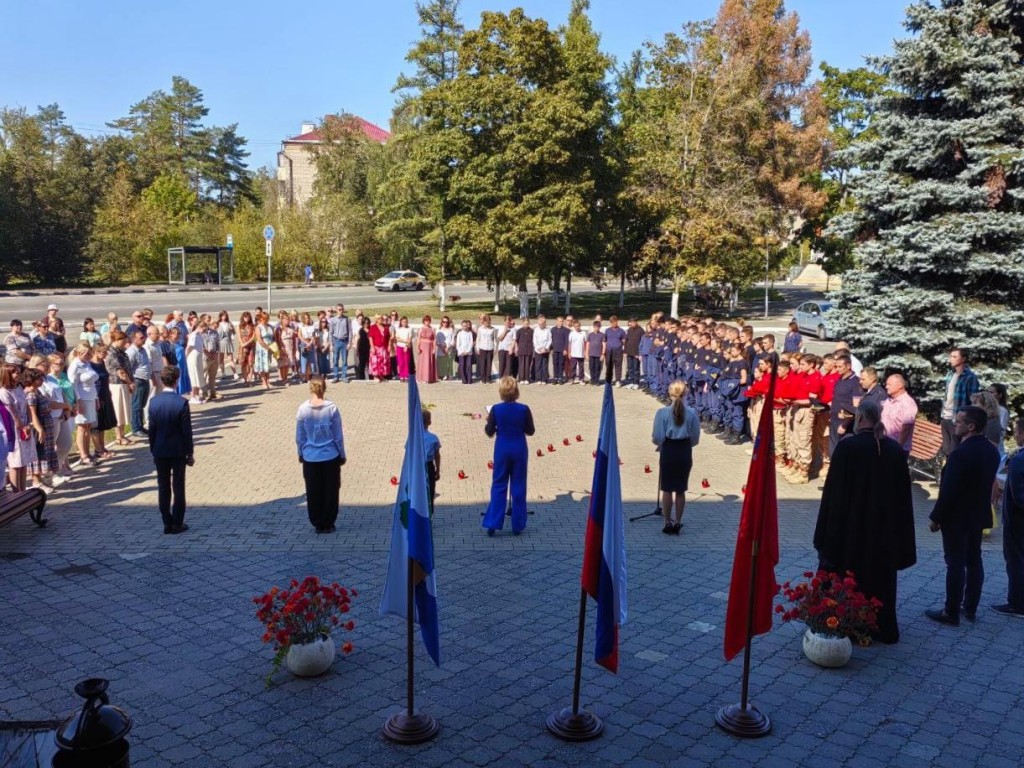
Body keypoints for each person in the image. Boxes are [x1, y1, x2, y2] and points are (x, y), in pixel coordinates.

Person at [813, 400, 917, 643]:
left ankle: (845, 622)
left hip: (851, 529)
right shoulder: (893, 450)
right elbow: (903, 498)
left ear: (860, 418)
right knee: (879, 578)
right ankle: (879, 625)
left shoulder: (849, 449)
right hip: (883, 530)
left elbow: (833, 495)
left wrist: (826, 534)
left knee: (849, 575)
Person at [926, 405, 1001, 626]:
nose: (954, 425)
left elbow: (949, 491)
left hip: (957, 517)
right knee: (974, 560)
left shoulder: (960, 454)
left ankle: (951, 612)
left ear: (971, 426)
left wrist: (936, 518)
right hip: (978, 513)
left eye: (959, 422)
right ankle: (970, 608)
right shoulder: (990, 451)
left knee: (955, 563)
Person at [481, 376, 536, 536]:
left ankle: (493, 523)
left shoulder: (496, 409)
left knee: (498, 484)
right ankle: (517, 525)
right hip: (519, 447)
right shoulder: (524, 409)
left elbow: (489, 432)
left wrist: (488, 422)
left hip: (502, 447)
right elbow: (530, 431)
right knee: (519, 485)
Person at [295, 377, 346, 533]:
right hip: (330, 454)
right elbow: (338, 435)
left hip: (310, 456)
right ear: (324, 389)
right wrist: (342, 453)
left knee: (313, 490)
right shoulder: (332, 409)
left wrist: (300, 452)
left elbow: (300, 436)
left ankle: (317, 522)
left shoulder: (302, 409)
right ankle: (328, 522)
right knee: (331, 489)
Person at [148, 366, 195, 534]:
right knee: (178, 485)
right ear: (176, 381)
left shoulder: (153, 402)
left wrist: (152, 448)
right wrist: (190, 452)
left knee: (163, 485)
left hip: (160, 450)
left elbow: (152, 429)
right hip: (178, 450)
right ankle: (178, 522)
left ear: (162, 381)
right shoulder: (181, 402)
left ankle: (166, 522)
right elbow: (186, 431)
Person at [652, 380, 701, 535]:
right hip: (684, 449)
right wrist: (686, 445)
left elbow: (657, 436)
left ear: (669, 393)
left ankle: (667, 522)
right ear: (685, 393)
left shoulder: (662, 413)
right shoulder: (692, 412)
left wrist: (661, 443)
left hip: (669, 449)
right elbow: (695, 437)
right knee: (680, 489)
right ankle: (678, 521)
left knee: (667, 488)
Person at [993, 419, 1024, 618]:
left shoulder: (1019, 460)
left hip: (1017, 520)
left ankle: (1017, 603)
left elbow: (1019, 496)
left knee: (1016, 560)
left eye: (1017, 431)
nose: (1014, 435)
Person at [939, 348, 980, 456]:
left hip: (957, 419)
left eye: (954, 357)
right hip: (945, 417)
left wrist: (965, 419)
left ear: (963, 359)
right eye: (950, 356)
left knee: (955, 451)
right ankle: (947, 471)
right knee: (946, 450)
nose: (951, 359)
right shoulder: (950, 374)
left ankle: (953, 472)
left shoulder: (970, 378)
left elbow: (973, 403)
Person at [0, 365, 33, 491]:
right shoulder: (3, 391)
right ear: (6, 375)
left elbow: (26, 406)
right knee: (16, 462)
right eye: (14, 373)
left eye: (19, 372)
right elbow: (12, 413)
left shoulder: (19, 388)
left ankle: (23, 490)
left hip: (24, 425)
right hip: (13, 429)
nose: (18, 375)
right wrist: (21, 426)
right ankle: (16, 492)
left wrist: (29, 424)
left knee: (24, 461)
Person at [105, 331, 134, 445]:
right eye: (123, 340)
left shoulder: (121, 351)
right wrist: (130, 382)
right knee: (118, 410)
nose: (125, 342)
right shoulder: (111, 353)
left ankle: (122, 434)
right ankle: (118, 436)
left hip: (124, 384)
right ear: (116, 340)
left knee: (123, 410)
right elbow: (120, 371)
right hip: (116, 384)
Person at [880, 374, 917, 453]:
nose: (886, 387)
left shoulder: (908, 403)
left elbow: (906, 428)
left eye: (889, 384)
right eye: (886, 384)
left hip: (898, 448)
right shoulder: (888, 401)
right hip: (884, 444)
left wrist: (897, 448)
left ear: (900, 385)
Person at [127, 330, 151, 437]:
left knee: (142, 404)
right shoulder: (131, 352)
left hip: (145, 380)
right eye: (141, 338)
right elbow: (128, 368)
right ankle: (136, 428)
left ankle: (141, 426)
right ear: (134, 339)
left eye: (144, 337)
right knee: (136, 405)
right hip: (137, 380)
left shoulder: (143, 350)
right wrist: (131, 382)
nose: (144, 339)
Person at [422, 409, 441, 517]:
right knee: (430, 491)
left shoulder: (413, 438)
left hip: (416, 467)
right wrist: (437, 470)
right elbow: (437, 456)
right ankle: (429, 514)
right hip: (429, 466)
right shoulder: (433, 438)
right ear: (429, 422)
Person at [329, 304, 352, 382]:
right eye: (339, 309)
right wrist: (331, 344)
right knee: (335, 360)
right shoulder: (333, 320)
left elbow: (350, 331)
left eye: (342, 309)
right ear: (336, 310)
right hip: (336, 341)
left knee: (344, 360)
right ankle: (336, 376)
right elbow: (330, 332)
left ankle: (344, 376)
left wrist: (349, 342)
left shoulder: (347, 319)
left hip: (344, 341)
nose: (340, 311)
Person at [604, 315, 626, 384]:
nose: (613, 323)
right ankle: (609, 379)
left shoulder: (621, 331)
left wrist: (621, 345)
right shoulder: (607, 330)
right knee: (609, 365)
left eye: (615, 322)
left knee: (618, 365)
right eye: (612, 322)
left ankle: (618, 380)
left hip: (618, 351)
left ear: (617, 321)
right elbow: (605, 341)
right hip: (609, 351)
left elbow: (624, 341)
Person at [368, 315, 391, 382]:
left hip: (383, 348)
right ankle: (375, 376)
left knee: (382, 362)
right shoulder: (373, 327)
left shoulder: (386, 327)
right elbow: (370, 338)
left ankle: (381, 376)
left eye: (381, 318)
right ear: (376, 320)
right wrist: (372, 347)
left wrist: (389, 345)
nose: (380, 319)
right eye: (379, 318)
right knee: (375, 362)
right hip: (376, 347)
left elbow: (388, 337)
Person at [476, 315, 497, 384]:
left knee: (489, 364)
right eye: (486, 322)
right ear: (483, 321)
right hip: (482, 348)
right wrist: (477, 348)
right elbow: (478, 339)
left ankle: (488, 378)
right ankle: (483, 378)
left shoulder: (493, 329)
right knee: (483, 364)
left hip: (490, 348)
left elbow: (494, 339)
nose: (487, 323)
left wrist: (495, 348)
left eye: (488, 322)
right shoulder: (480, 329)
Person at [216, 310, 237, 380]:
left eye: (225, 316)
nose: (224, 317)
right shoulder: (218, 324)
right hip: (220, 342)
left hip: (228, 342)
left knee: (230, 359)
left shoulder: (229, 324)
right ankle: (223, 373)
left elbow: (234, 333)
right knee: (221, 359)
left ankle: (235, 373)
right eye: (222, 316)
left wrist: (232, 330)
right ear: (220, 316)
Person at [416, 316, 438, 384]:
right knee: (422, 362)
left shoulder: (432, 329)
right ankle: (421, 377)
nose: (427, 322)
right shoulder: (421, 329)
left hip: (430, 347)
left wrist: (434, 348)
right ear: (423, 321)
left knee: (429, 361)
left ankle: (428, 378)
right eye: (426, 320)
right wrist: (417, 347)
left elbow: (434, 340)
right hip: (422, 346)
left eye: (428, 320)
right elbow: (418, 339)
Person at [455, 320, 475, 384]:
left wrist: (468, 351)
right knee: (462, 365)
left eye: (466, 326)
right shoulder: (459, 333)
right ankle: (464, 380)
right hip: (461, 352)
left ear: (467, 326)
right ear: (462, 326)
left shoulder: (470, 333)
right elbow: (458, 344)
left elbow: (471, 343)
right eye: (463, 326)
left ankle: (469, 380)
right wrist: (461, 351)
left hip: (469, 352)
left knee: (469, 366)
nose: (465, 327)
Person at [435, 317, 454, 381]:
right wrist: (443, 348)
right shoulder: (438, 330)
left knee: (448, 362)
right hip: (441, 349)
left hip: (449, 348)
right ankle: (441, 375)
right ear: (441, 322)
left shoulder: (450, 329)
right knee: (441, 363)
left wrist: (448, 347)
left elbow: (452, 340)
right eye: (444, 321)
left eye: (446, 322)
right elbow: (437, 341)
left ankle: (448, 374)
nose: (445, 323)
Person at [568, 320, 587, 384]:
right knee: (573, 367)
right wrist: (569, 352)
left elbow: (585, 343)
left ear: (580, 326)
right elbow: (570, 344)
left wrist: (585, 352)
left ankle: (581, 379)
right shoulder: (571, 333)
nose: (577, 327)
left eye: (578, 326)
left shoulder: (583, 333)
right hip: (573, 353)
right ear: (574, 327)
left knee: (581, 367)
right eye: (576, 326)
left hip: (581, 353)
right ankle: (572, 379)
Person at [586, 321, 604, 385]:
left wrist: (602, 354)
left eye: (598, 327)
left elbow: (604, 345)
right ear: (593, 327)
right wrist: (587, 354)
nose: (596, 328)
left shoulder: (602, 335)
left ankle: (597, 380)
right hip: (591, 354)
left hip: (598, 355)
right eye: (595, 327)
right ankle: (592, 379)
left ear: (599, 327)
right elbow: (587, 345)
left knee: (597, 368)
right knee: (591, 367)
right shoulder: (590, 335)